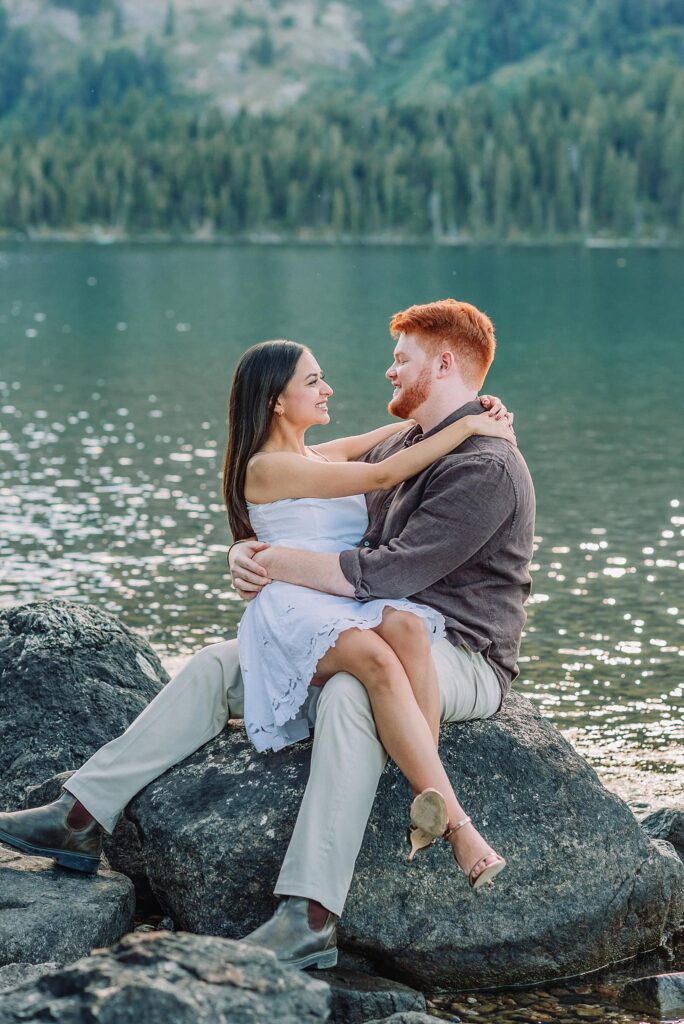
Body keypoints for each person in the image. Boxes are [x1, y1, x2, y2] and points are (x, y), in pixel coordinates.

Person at [0, 298, 535, 974]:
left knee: (348, 694)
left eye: (402, 360)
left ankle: (310, 913)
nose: (389, 371)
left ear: (445, 362)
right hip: (370, 623)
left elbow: (389, 570)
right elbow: (310, 505)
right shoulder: (405, 441)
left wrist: (277, 563)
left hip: (459, 650)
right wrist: (246, 552)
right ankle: (80, 814)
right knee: (215, 668)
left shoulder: (483, 467)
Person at [228, 339, 515, 891]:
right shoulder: (266, 466)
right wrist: (467, 431)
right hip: (296, 603)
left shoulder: (317, 454)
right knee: (380, 665)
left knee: (408, 627)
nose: (327, 388)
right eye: (312, 382)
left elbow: (391, 440)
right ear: (275, 402)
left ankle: (423, 790)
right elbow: (384, 476)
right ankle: (456, 826)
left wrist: (469, 411)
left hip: (335, 598)